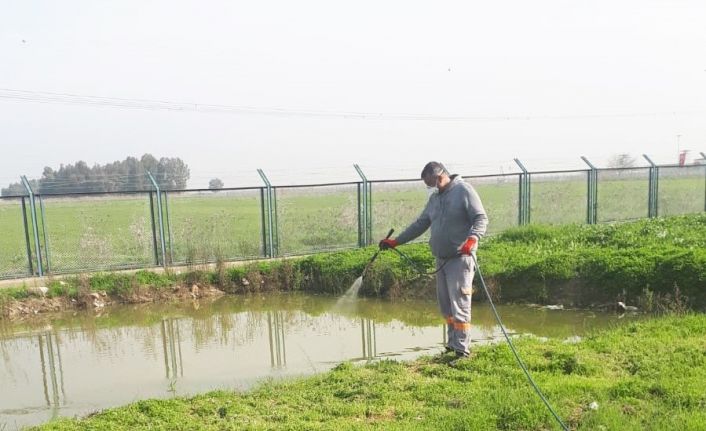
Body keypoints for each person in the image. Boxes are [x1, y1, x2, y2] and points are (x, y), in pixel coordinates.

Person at [379, 161, 488, 362]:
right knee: (446, 305)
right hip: (442, 259)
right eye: (428, 186)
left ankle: (462, 351)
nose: (432, 188)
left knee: (460, 303)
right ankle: (452, 345)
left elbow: (481, 218)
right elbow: (421, 224)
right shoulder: (435, 199)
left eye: (432, 183)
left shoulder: (464, 190)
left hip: (460, 258)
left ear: (440, 176)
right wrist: (396, 241)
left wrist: (472, 239)